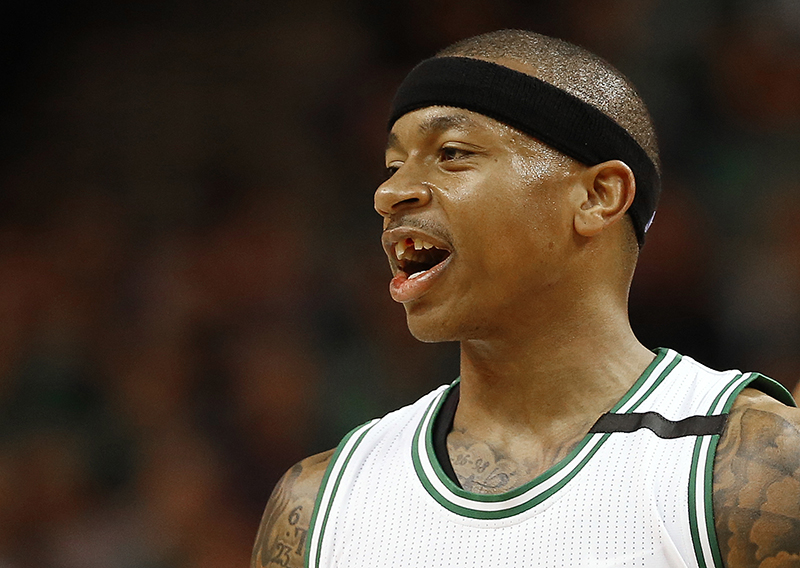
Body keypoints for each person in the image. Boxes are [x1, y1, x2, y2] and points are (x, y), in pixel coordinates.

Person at [251, 30, 800, 568]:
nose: (389, 193)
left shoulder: (747, 465)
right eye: (393, 166)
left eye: (452, 153)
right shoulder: (319, 501)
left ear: (598, 196)